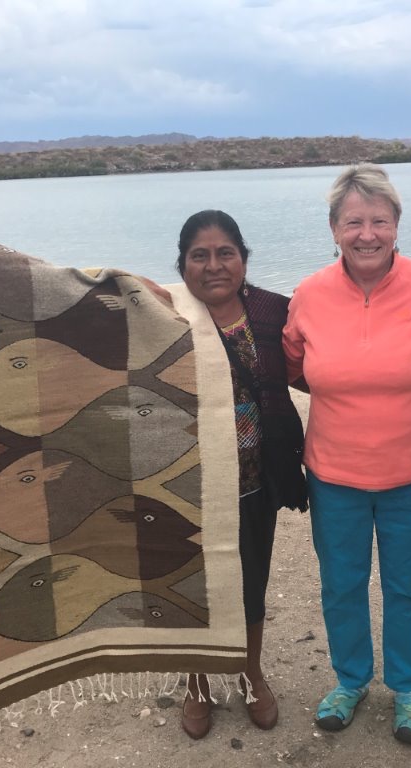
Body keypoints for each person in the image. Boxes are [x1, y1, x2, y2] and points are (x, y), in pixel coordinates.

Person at [282, 164, 411, 744]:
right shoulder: (308, 293)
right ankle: (351, 680)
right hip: (333, 473)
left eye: (379, 220)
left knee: (409, 585)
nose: (367, 233)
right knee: (342, 583)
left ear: (397, 224)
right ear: (334, 228)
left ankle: (406, 688)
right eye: (353, 221)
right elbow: (288, 366)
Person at [172, 209, 308, 740]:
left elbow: (317, 366)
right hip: (184, 486)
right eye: (199, 255)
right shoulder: (164, 316)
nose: (213, 265)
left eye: (225, 252)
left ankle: (251, 675)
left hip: (255, 480)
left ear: (244, 259)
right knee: (191, 589)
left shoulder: (274, 312)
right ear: (181, 265)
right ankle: (197, 684)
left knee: (251, 584)